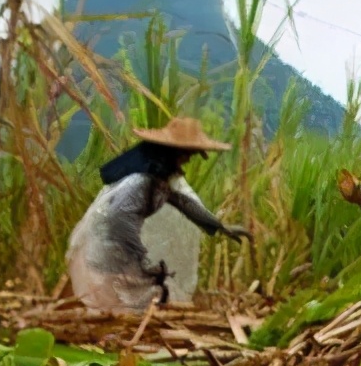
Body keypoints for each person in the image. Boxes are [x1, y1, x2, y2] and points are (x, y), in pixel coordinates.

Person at [66, 117, 250, 312]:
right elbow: (119, 219)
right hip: (110, 249)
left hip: (123, 250)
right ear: (171, 153)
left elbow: (183, 202)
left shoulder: (157, 179)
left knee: (140, 300)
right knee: (130, 303)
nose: (188, 160)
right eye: (186, 154)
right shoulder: (139, 181)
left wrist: (219, 226)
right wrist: (140, 256)